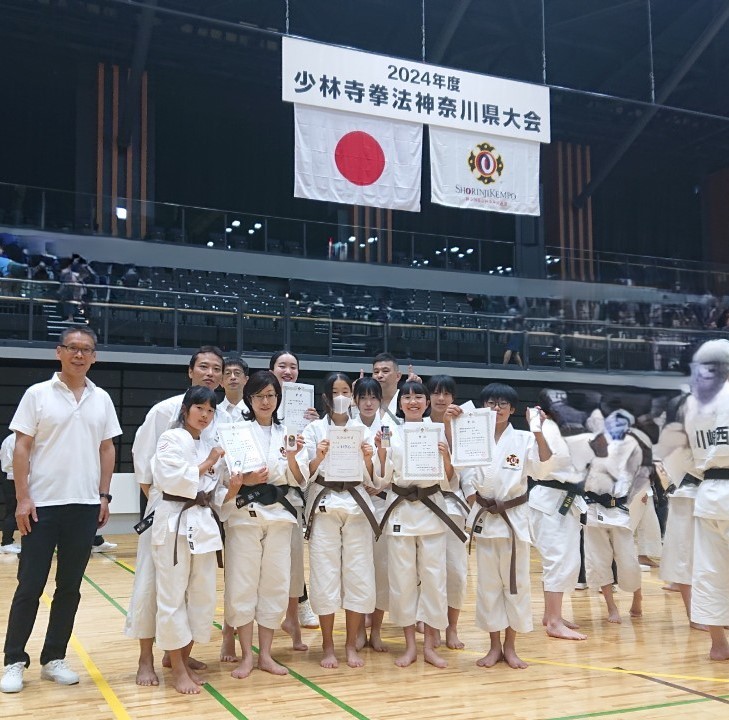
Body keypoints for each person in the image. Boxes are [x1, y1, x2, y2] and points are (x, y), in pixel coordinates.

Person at [1, 327, 121, 694]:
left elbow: (106, 449)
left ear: (94, 356)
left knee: (69, 588)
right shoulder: (37, 394)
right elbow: (22, 448)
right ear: (59, 352)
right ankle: (13, 660)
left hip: (84, 507)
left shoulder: (101, 399)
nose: (79, 355)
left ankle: (54, 657)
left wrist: (103, 495)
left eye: (86, 350)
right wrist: (23, 497)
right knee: (29, 586)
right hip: (42, 507)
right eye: (72, 348)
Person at [125, 346, 225, 686]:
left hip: (200, 512)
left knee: (197, 590)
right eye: (203, 366)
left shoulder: (219, 416)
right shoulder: (164, 412)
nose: (210, 373)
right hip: (167, 510)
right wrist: (167, 506)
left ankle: (177, 653)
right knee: (155, 587)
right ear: (190, 370)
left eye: (216, 368)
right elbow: (145, 467)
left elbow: (220, 471)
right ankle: (144, 660)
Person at [457, 383, 553, 670]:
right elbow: (464, 474)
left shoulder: (524, 439)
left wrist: (538, 431)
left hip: (513, 521)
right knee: (488, 587)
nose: (496, 409)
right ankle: (494, 646)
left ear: (512, 409)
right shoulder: (473, 435)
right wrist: (479, 501)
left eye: (502, 404)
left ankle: (511, 646)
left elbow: (543, 467)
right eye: (490, 403)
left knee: (516, 585)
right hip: (486, 519)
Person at [220, 371, 305, 679]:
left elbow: (298, 478)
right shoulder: (235, 431)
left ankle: (266, 655)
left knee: (275, 584)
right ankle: (246, 656)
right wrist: (246, 480)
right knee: (243, 584)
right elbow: (226, 475)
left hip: (280, 517)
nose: (266, 401)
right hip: (245, 514)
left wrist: (294, 459)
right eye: (259, 396)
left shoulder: (290, 432)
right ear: (249, 399)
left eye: (271, 395)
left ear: (277, 399)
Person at [150, 385, 228, 695]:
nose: (206, 415)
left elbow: (215, 489)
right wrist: (209, 461)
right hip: (174, 521)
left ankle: (181, 655)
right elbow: (172, 480)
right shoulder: (171, 439)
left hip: (203, 523)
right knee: (171, 597)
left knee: (203, 595)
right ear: (186, 410)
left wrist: (232, 485)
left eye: (210, 411)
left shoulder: (209, 441)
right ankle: (177, 670)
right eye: (200, 409)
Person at [377, 380, 458, 669]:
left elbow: (450, 479)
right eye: (407, 397)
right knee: (402, 580)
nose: (413, 401)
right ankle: (410, 645)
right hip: (401, 511)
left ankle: (431, 645)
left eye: (418, 397)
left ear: (426, 402)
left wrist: (447, 459)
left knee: (434, 579)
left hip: (432, 509)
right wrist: (379, 451)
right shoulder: (388, 431)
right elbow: (382, 478)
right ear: (400, 404)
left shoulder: (439, 432)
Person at [301, 372, 379, 669]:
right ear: (325, 397)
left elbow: (375, 476)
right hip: (324, 504)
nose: (341, 397)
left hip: (357, 504)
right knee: (324, 575)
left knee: (359, 575)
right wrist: (318, 457)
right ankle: (328, 645)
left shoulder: (362, 430)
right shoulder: (313, 430)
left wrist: (370, 457)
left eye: (346, 391)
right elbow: (302, 474)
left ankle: (350, 645)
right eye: (335, 392)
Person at [268, 350, 320, 644]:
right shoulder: (261, 405)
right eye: (282, 366)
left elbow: (313, 455)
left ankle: (297, 609)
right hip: (260, 493)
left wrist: (313, 421)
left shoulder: (306, 410)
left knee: (294, 557)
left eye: (293, 367)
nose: (288, 371)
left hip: (296, 490)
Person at [528, 389, 588, 641]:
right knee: (557, 559)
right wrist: (537, 427)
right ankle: (553, 621)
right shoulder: (545, 427)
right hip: (550, 499)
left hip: (567, 499)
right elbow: (547, 461)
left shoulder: (564, 428)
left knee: (567, 560)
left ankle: (552, 614)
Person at [682, 339, 729, 660]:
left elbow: (687, 457)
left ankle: (717, 645)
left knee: (710, 569)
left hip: (709, 492)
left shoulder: (693, 403)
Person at [582, 410, 644, 623]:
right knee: (599, 560)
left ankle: (638, 596)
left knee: (628, 560)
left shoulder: (632, 447)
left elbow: (641, 477)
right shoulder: (589, 444)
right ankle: (611, 607)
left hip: (619, 511)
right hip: (592, 509)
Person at [425, 375, 468, 650]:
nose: (441, 399)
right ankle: (432, 628)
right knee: (429, 573)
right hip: (424, 505)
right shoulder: (419, 426)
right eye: (436, 393)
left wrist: (453, 429)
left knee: (456, 572)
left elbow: (470, 466)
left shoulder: (465, 425)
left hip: (453, 506)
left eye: (447, 394)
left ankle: (452, 627)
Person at [351, 377, 389, 652]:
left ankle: (376, 629)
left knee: (382, 569)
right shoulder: (346, 429)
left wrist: (382, 483)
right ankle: (356, 632)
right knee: (358, 570)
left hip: (382, 505)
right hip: (354, 505)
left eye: (372, 397)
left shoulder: (389, 428)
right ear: (355, 401)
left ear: (379, 401)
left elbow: (394, 464)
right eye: (362, 397)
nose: (367, 402)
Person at [0, 433, 21, 554]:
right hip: (13, 478)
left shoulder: (9, 439)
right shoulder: (15, 440)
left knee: (12, 511)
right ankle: (6, 543)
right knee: (12, 511)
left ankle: (8, 541)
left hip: (11, 477)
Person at [220, 357, 249, 421]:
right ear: (221, 382)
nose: (233, 377)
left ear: (246, 380)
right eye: (228, 373)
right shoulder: (214, 411)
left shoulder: (256, 410)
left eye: (237, 373)